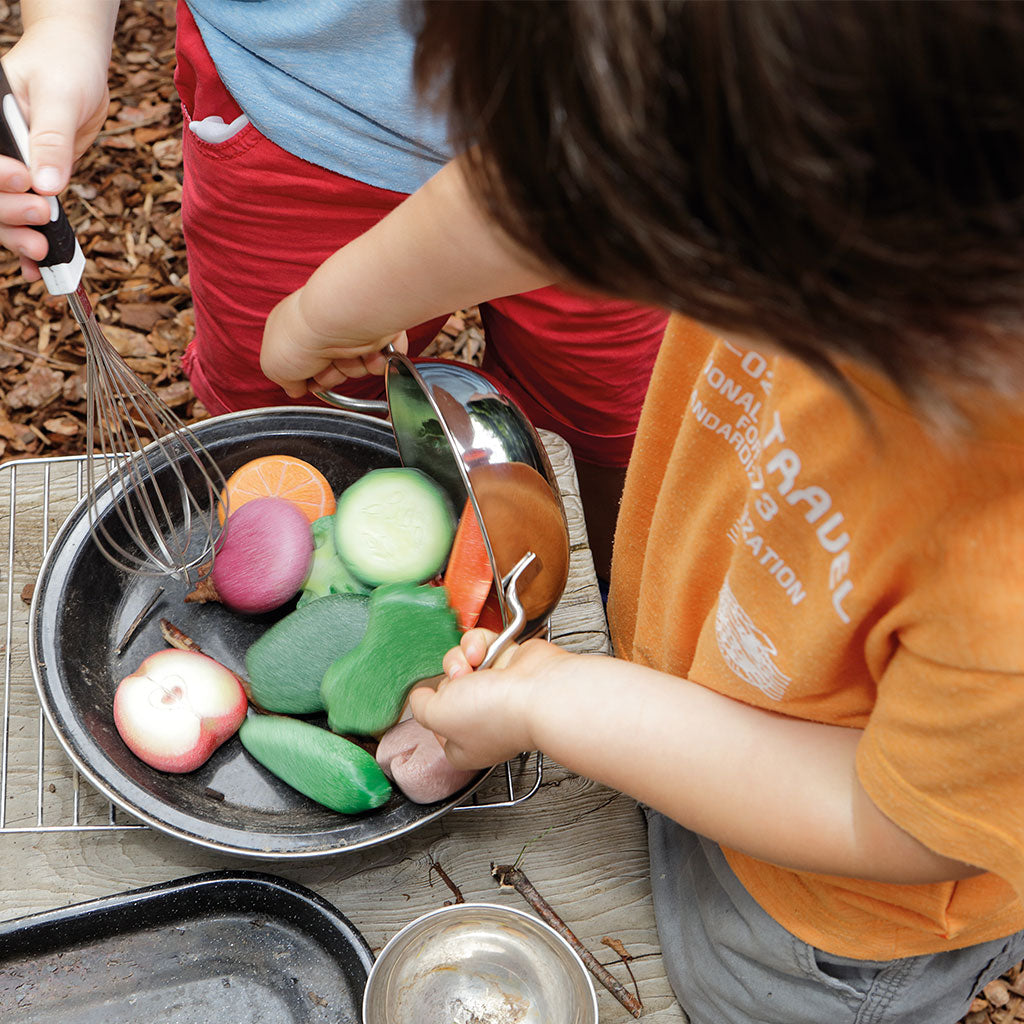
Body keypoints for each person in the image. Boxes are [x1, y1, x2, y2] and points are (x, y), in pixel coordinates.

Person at [255, 2, 1024, 1023]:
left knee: (731, 993)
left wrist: (557, 704)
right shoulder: (816, 115)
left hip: (826, 917)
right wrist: (328, 312)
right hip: (704, 679)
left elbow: (903, 820)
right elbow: (557, 184)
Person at [0, 0, 668, 579]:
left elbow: (570, 178)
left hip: (620, 164)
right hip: (294, 115)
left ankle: (610, 602)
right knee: (284, 434)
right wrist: (66, 29)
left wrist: (321, 318)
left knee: (612, 428)